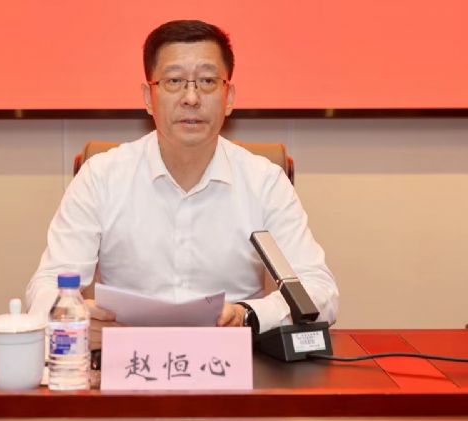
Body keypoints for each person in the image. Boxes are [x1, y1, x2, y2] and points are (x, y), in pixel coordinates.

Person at [26, 19, 338, 338]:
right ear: (148, 97)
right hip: (128, 355)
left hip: (233, 357)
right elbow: (47, 285)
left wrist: (247, 314)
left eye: (207, 81)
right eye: (174, 81)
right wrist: (75, 312)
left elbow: (319, 292)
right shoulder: (101, 177)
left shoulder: (264, 182)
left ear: (229, 96)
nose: (191, 98)